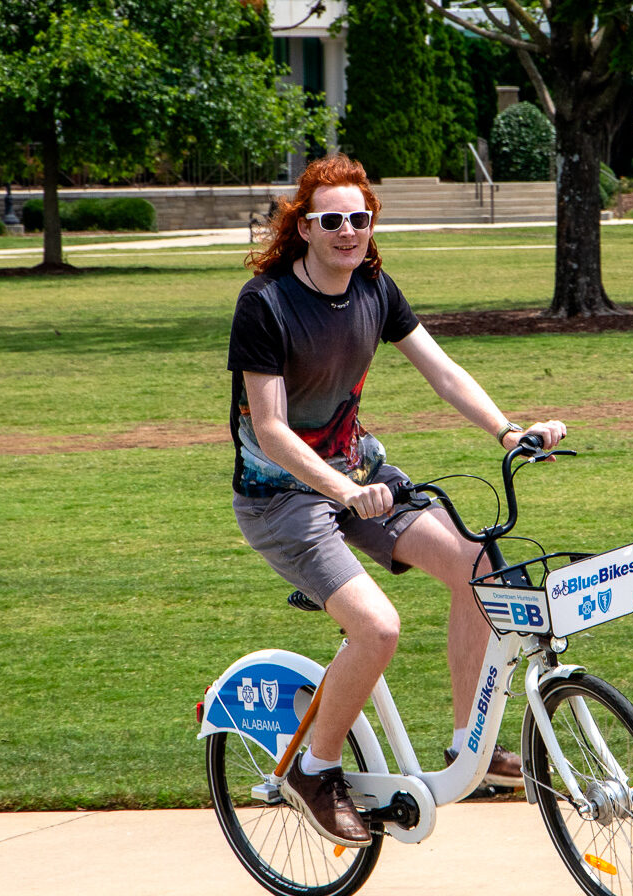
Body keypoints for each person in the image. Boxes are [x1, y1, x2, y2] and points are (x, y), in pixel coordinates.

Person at [227, 154, 567, 848]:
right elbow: (268, 426)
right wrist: (344, 490)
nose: (348, 231)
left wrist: (507, 428)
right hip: (281, 499)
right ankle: (314, 770)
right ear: (304, 227)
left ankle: (465, 746)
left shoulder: (375, 288)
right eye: (331, 220)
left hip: (361, 475)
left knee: (479, 567)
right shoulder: (263, 304)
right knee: (378, 629)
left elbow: (440, 370)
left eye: (360, 217)